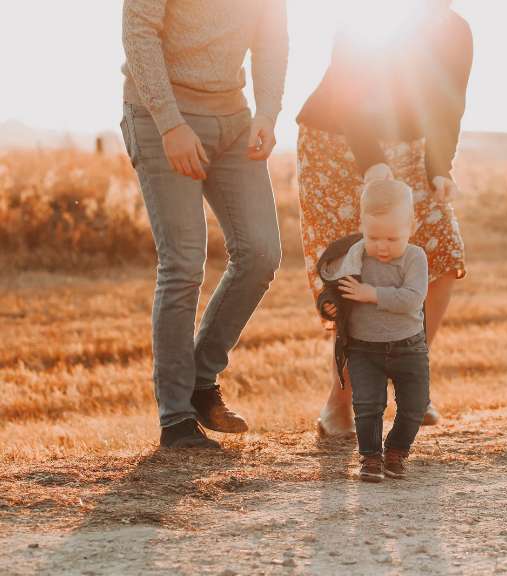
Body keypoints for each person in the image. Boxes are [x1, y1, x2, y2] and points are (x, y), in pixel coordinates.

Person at [296, 1, 473, 436]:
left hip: (409, 147)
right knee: (354, 267)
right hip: (335, 142)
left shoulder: (455, 30)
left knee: (442, 252)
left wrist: (439, 166)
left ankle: (412, 375)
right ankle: (341, 403)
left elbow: (449, 106)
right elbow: (347, 93)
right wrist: (372, 162)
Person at [120, 0, 288, 449]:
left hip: (233, 118)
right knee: (184, 263)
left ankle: (199, 380)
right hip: (162, 114)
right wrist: (170, 123)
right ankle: (176, 419)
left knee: (261, 253)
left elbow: (272, 39)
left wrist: (268, 113)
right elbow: (139, 32)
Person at [316, 180, 430, 482]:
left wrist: (372, 294)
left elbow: (412, 299)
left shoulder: (415, 257)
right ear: (362, 226)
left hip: (409, 347)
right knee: (367, 406)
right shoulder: (354, 256)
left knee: (415, 406)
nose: (382, 245)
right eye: (373, 236)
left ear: (411, 226)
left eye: (393, 238)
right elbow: (334, 291)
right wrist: (329, 306)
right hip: (364, 349)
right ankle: (370, 458)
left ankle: (396, 452)